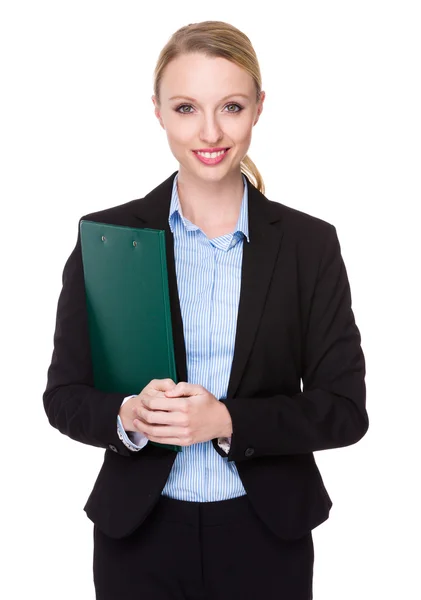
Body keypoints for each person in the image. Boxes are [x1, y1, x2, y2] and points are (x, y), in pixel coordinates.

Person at [43, 20, 368, 600]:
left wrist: (227, 421)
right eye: (187, 107)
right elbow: (64, 397)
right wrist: (128, 415)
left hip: (266, 533)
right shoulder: (109, 239)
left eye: (232, 106)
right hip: (138, 536)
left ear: (259, 108)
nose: (211, 131)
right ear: (159, 111)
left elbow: (343, 411)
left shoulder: (309, 246)